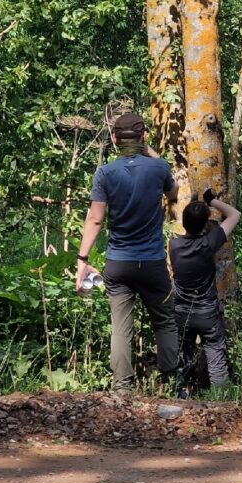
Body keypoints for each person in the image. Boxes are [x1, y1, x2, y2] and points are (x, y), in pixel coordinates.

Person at [75, 111, 179, 390]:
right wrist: (150, 151)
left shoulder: (105, 174)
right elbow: (174, 194)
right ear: (144, 137)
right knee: (165, 320)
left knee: (121, 327)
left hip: (119, 263)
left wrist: (82, 260)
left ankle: (123, 387)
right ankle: (171, 382)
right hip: (153, 262)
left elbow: (95, 219)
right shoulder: (159, 169)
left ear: (114, 139)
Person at [170, 189, 241, 396]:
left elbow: (189, 231)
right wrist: (213, 201)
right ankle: (221, 403)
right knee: (217, 361)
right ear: (205, 225)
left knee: (182, 361)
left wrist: (194, 207)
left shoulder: (173, 246)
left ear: (184, 222)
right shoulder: (208, 244)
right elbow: (235, 215)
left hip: (182, 313)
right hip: (207, 314)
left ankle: (180, 399)